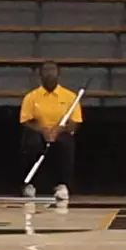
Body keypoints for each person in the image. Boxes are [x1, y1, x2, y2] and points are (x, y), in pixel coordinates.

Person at [19, 61, 81, 203]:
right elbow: (26, 121)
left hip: (60, 132)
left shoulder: (70, 97)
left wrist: (58, 130)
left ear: (59, 73)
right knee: (31, 143)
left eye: (52, 70)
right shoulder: (31, 97)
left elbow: (75, 122)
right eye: (46, 70)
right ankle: (30, 185)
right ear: (40, 74)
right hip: (39, 132)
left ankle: (62, 185)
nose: (49, 73)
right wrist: (44, 131)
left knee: (65, 144)